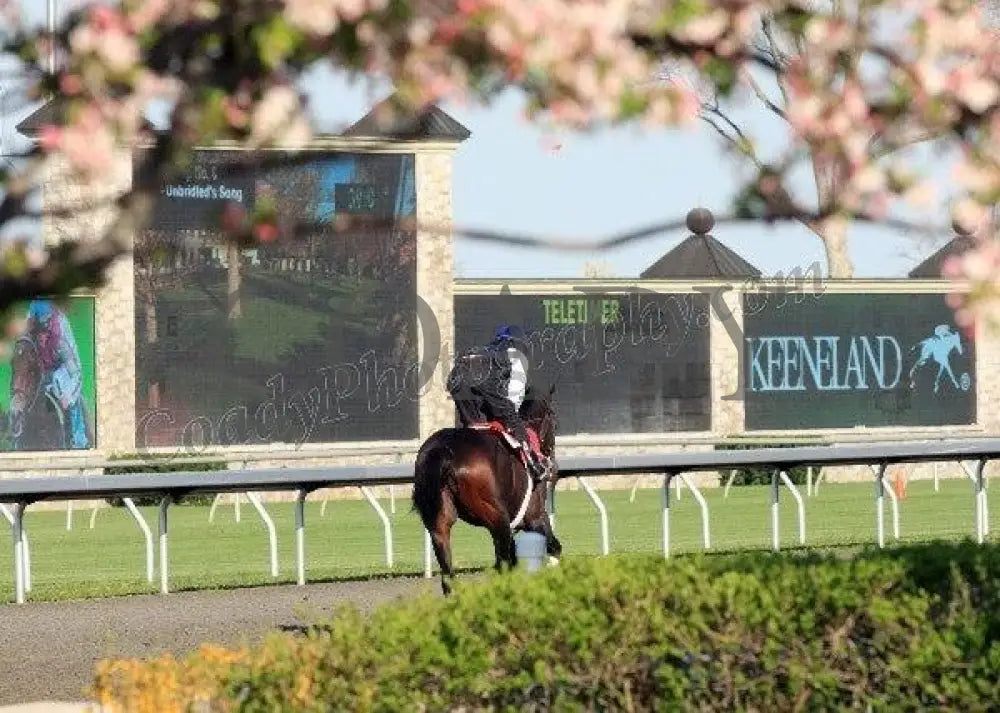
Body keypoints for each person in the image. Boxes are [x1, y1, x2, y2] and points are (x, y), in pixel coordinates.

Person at [447, 324, 547, 479]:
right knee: (516, 425)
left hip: (457, 377)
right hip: (484, 379)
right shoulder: (516, 355)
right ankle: (534, 465)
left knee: (474, 426)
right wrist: (512, 418)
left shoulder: (489, 349)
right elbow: (514, 394)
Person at [24, 300, 90, 449]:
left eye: (44, 333)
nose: (41, 338)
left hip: (63, 369)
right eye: (37, 333)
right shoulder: (30, 324)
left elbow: (76, 372)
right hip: (44, 369)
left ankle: (78, 439)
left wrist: (69, 396)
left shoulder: (61, 339)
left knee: (60, 382)